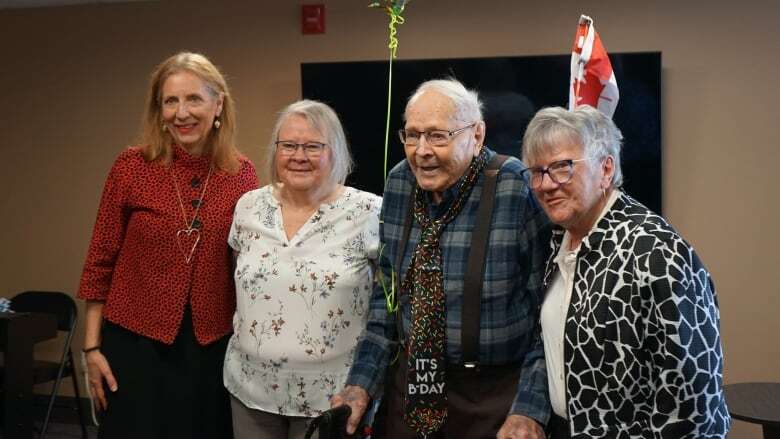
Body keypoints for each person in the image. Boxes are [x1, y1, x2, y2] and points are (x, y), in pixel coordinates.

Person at [331, 79, 552, 438]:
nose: (421, 151)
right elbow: (385, 301)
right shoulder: (400, 182)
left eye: (437, 136)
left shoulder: (514, 186)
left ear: (476, 135)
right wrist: (361, 384)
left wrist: (530, 409)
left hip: (494, 400)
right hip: (412, 393)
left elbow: (549, 316)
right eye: (412, 135)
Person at [77, 52, 259, 438]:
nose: (182, 113)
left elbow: (248, 262)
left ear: (218, 104)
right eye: (170, 101)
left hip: (211, 348)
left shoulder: (241, 174)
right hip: (134, 345)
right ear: (158, 110)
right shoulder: (131, 166)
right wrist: (91, 350)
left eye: (194, 99)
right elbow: (100, 260)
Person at [522, 105, 730, 438]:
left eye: (562, 167)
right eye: (537, 171)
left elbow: (694, 405)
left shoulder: (657, 251)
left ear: (606, 170)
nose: (546, 185)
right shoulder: (560, 240)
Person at [223, 100, 382, 439]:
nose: (299, 156)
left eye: (313, 146)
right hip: (251, 390)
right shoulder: (249, 207)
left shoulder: (369, 211)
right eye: (289, 146)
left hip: (335, 397)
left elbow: (387, 305)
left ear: (335, 152)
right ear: (275, 151)